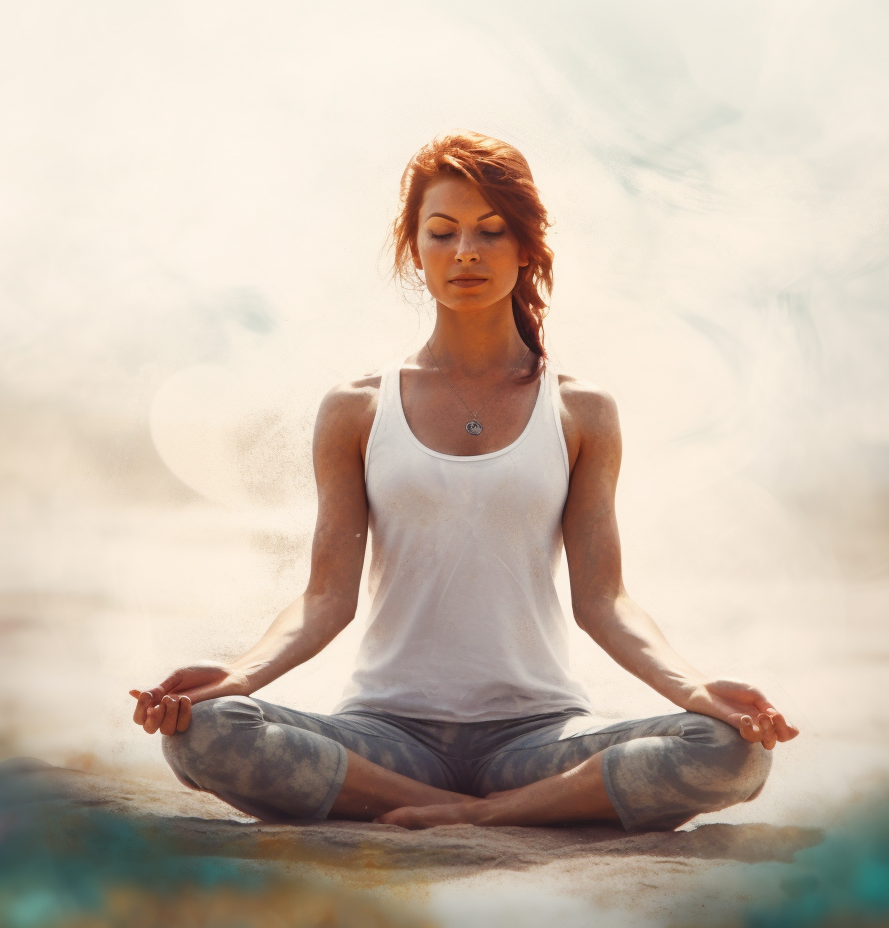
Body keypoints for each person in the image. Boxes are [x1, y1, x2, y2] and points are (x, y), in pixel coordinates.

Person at [129, 132, 798, 832]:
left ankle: (482, 811)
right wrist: (238, 677)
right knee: (204, 730)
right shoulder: (357, 407)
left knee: (731, 752)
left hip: (537, 738)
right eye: (442, 233)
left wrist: (695, 691)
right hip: (388, 737)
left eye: (490, 231)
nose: (466, 253)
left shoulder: (582, 411)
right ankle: (487, 809)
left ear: (526, 245)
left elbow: (605, 600)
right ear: (413, 249)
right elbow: (325, 598)